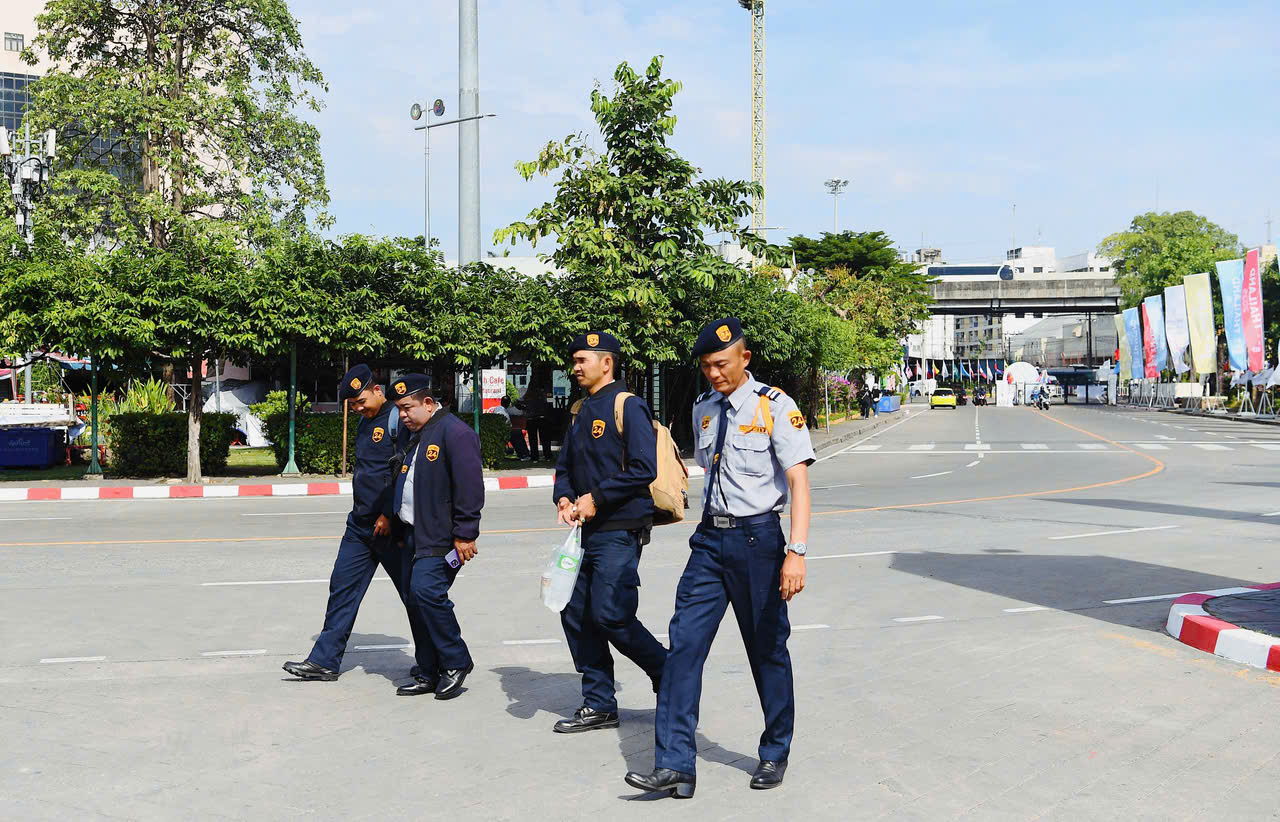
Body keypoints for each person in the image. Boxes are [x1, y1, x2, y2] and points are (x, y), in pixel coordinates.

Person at [625, 317, 814, 799]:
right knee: (683, 644)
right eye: (707, 366)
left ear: (744, 359)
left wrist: (796, 552)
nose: (714, 374)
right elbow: (706, 471)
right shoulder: (704, 409)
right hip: (710, 542)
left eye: (722, 364)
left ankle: (775, 750)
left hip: (759, 543)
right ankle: (675, 767)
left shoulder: (776, 407)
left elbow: (798, 482)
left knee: (766, 648)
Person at [283, 364, 432, 683]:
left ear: (378, 391)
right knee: (342, 588)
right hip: (360, 526)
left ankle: (434, 661)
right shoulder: (365, 423)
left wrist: (388, 515)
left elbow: (406, 472)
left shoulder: (398, 419)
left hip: (391, 529)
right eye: (353, 405)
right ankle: (324, 660)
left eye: (362, 401)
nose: (359, 408)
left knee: (415, 595)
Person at [551, 331, 668, 735]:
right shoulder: (580, 408)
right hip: (583, 531)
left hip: (619, 529)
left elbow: (643, 467)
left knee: (611, 613)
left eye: (584, 359)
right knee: (576, 613)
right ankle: (599, 702)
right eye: (575, 360)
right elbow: (564, 464)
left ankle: (666, 672)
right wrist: (564, 498)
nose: (576, 366)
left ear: (608, 362)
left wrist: (596, 499)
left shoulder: (627, 405)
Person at [386, 374, 484, 700]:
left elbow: (470, 488)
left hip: (441, 536)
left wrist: (466, 533)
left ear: (428, 404)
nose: (402, 415)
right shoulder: (415, 432)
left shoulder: (455, 433)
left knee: (427, 592)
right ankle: (427, 670)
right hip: (413, 533)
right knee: (415, 601)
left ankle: (456, 660)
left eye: (407, 407)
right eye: (398, 409)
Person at [523, 380, 555, 462]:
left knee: (533, 439)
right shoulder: (546, 392)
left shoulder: (529, 394)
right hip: (543, 417)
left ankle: (534, 457)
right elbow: (550, 403)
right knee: (545, 438)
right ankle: (547, 456)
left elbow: (521, 402)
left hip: (531, 418)